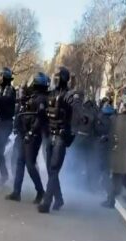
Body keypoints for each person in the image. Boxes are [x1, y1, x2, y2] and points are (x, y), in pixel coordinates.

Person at [38, 67, 77, 213]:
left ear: (63, 78)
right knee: (50, 170)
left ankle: (46, 203)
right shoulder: (51, 94)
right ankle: (59, 198)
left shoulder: (69, 96)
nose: (55, 79)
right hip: (49, 135)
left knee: (54, 169)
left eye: (58, 77)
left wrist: (70, 135)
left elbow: (77, 117)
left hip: (60, 136)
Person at [5, 72, 48, 203]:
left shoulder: (41, 99)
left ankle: (41, 191)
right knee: (20, 161)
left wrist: (31, 132)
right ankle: (16, 192)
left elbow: (40, 118)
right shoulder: (32, 97)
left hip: (33, 135)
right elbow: (22, 113)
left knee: (29, 164)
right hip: (25, 133)